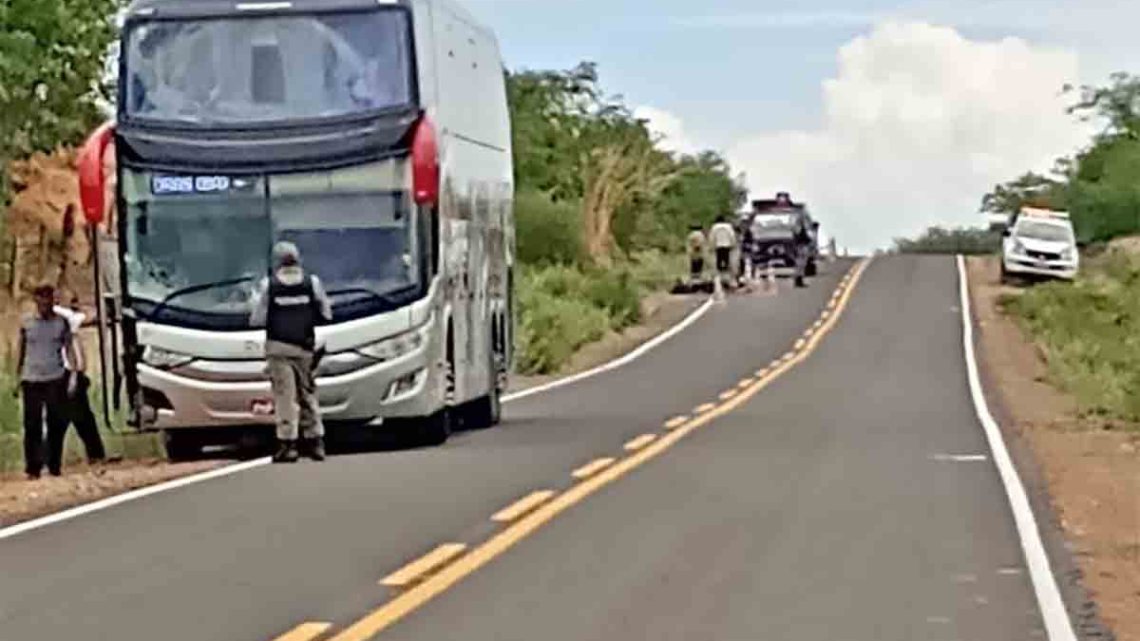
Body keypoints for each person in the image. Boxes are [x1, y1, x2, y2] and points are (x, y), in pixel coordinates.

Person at [250, 242, 333, 464]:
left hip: (278, 347)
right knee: (307, 393)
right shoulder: (311, 283)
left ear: (277, 263)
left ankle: (288, 446)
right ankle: (316, 442)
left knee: (285, 396)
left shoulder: (270, 285)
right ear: (299, 260)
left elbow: (256, 319)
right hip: (305, 348)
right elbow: (326, 313)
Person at [15, 283, 82, 479]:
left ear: (53, 300)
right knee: (32, 425)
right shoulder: (27, 323)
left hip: (55, 377)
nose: (45, 302)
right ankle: (33, 468)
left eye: (48, 298)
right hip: (31, 378)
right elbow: (21, 350)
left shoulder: (61, 323)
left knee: (55, 423)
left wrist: (74, 375)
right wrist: (17, 376)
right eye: (41, 298)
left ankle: (54, 465)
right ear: (36, 301)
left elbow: (69, 348)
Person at [53, 296, 106, 465]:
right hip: (67, 373)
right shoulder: (66, 316)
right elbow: (94, 315)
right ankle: (95, 454)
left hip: (63, 373)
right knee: (78, 418)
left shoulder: (58, 316)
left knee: (70, 419)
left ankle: (52, 459)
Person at [709, 215, 737, 280]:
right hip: (727, 245)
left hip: (718, 246)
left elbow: (712, 237)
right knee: (726, 259)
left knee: (719, 260)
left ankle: (720, 275)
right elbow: (732, 235)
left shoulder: (714, 227)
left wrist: (711, 246)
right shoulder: (728, 226)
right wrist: (733, 244)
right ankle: (726, 275)